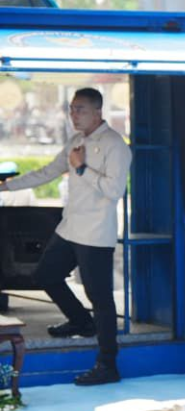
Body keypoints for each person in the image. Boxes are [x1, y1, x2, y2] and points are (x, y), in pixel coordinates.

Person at [0, 88, 131, 385]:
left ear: (98, 111)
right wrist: (5, 187)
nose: (74, 115)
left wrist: (82, 168)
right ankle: (81, 322)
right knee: (46, 275)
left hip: (96, 233)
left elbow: (114, 191)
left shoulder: (116, 145)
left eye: (81, 109)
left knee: (101, 300)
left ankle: (108, 365)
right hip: (70, 227)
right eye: (72, 109)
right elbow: (47, 172)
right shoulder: (76, 141)